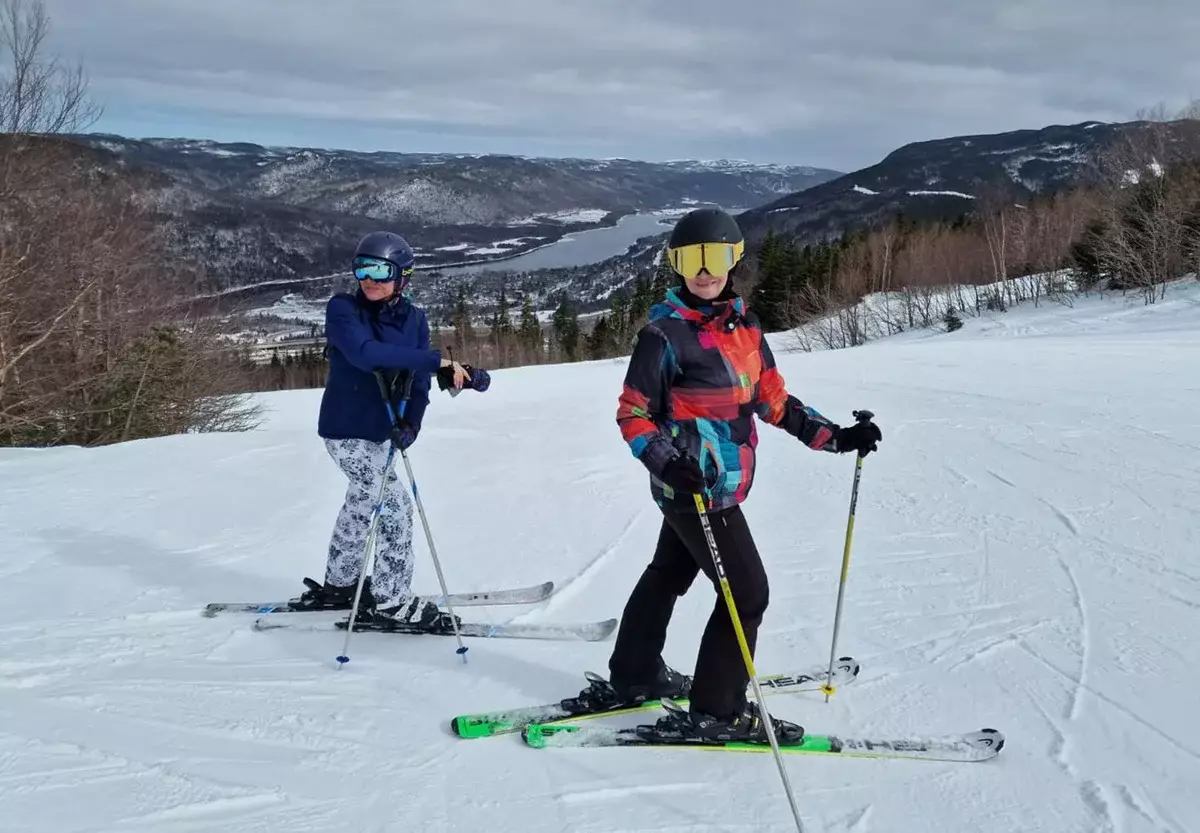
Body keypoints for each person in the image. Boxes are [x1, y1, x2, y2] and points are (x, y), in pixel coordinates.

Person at [581, 207, 881, 742]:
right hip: (693, 491)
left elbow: (774, 402)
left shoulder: (747, 331)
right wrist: (667, 460)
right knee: (748, 594)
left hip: (716, 486)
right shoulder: (664, 335)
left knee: (668, 573)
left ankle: (634, 674)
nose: (704, 269)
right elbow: (633, 414)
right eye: (691, 258)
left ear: (733, 260)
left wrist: (836, 437)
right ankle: (718, 711)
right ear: (676, 264)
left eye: (715, 256)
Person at [290, 230, 490, 628]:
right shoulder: (343, 310)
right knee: (393, 506)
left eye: (380, 270)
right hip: (345, 432)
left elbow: (416, 382)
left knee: (362, 504)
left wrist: (411, 423)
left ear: (402, 276)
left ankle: (341, 584)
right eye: (362, 268)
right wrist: (439, 363)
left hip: (384, 435)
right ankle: (390, 602)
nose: (369, 278)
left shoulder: (415, 320)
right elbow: (367, 355)